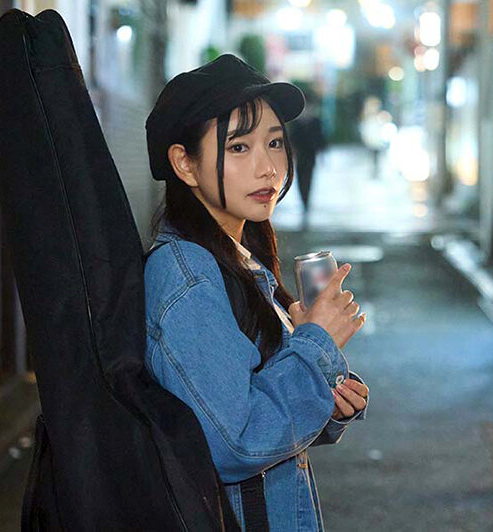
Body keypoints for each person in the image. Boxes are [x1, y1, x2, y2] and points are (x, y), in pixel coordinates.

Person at [142, 54, 370, 531]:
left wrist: (326, 396)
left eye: (274, 142)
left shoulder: (238, 258)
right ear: (185, 163)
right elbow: (236, 442)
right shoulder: (190, 276)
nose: (268, 167)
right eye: (239, 147)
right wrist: (314, 345)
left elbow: (246, 410)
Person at [288, 86, 327, 221]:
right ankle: (304, 201)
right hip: (300, 155)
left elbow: (320, 138)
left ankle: (306, 202)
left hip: (310, 155)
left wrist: (322, 152)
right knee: (300, 179)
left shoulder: (315, 121)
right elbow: (291, 138)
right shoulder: (296, 122)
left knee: (308, 179)